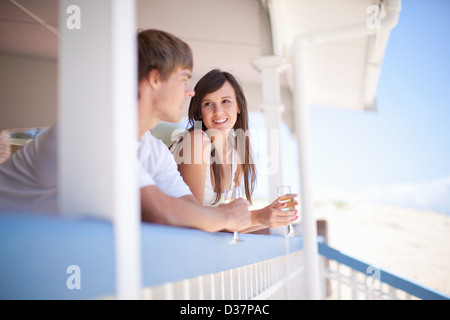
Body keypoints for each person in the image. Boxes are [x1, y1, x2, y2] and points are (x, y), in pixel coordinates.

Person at [0, 29, 250, 233]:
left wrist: (221, 218)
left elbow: (191, 212)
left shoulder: (155, 151)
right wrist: (228, 216)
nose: (190, 92)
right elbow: (161, 211)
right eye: (183, 79)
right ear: (155, 79)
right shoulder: (95, 128)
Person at [170, 69, 298, 233]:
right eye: (208, 104)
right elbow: (193, 222)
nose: (218, 111)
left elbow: (229, 227)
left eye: (225, 101)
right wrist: (258, 217)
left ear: (238, 106)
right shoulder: (196, 140)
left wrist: (270, 218)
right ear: (200, 111)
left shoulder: (237, 154)